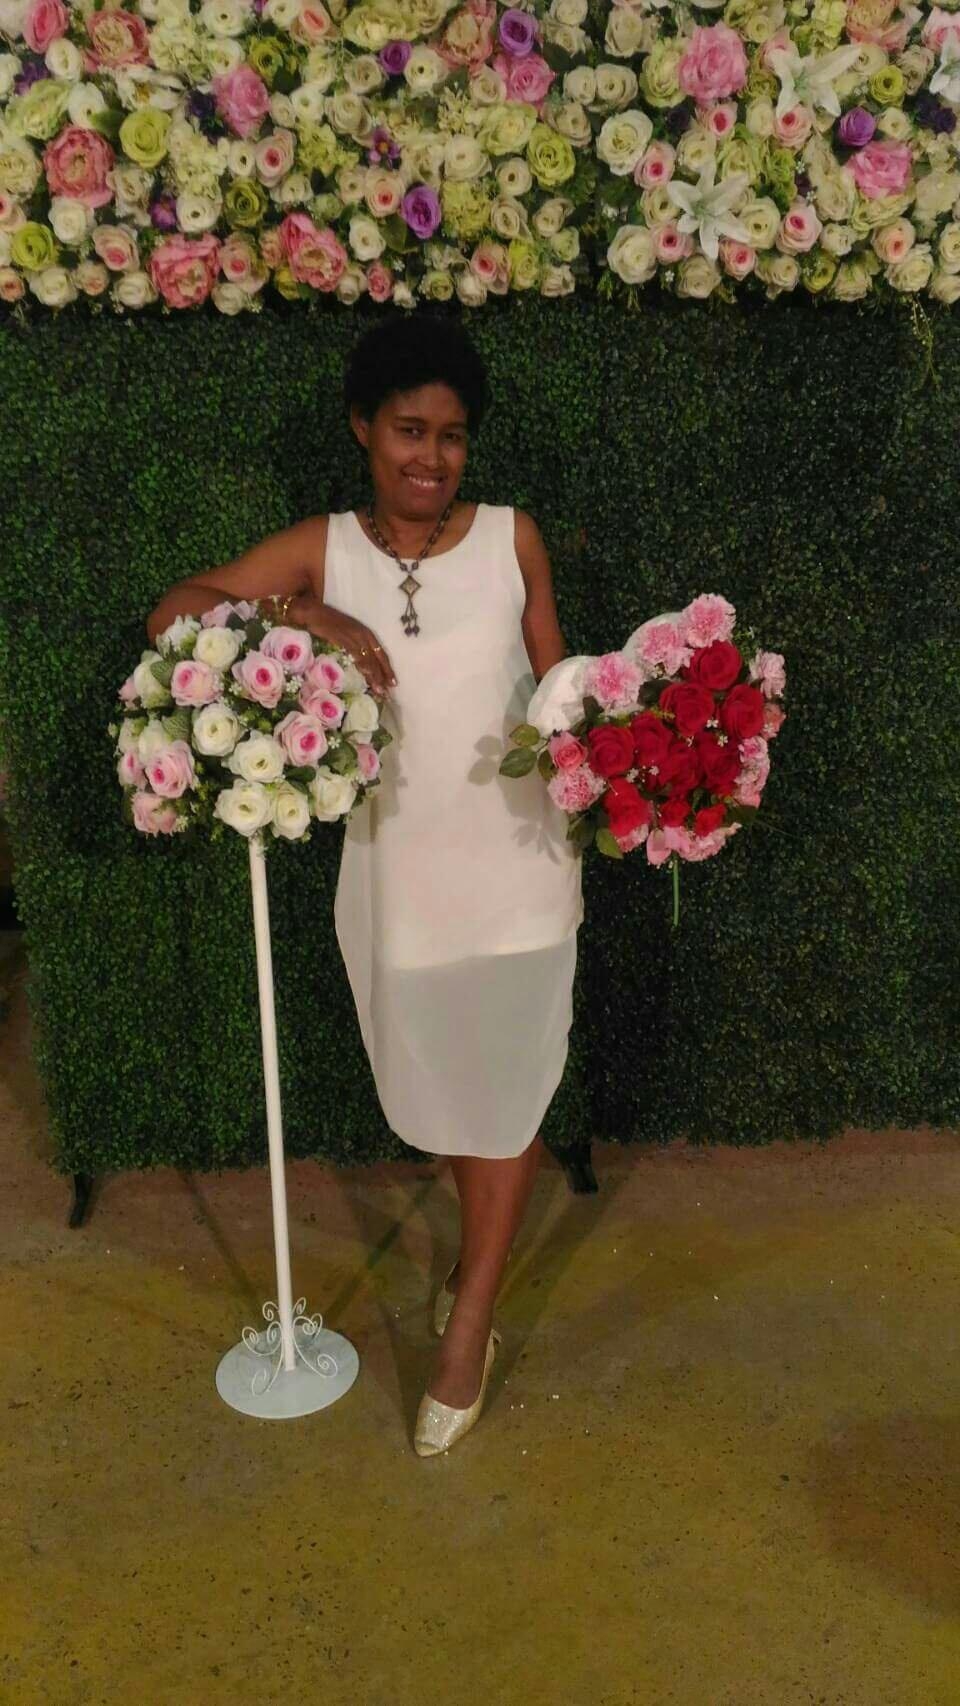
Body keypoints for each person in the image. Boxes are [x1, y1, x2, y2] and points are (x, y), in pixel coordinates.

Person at [146, 314, 583, 1456]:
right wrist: (304, 611)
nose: (432, 456)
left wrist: (633, 759)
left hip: (524, 867)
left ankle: (469, 1320)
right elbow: (175, 609)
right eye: (409, 430)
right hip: (401, 882)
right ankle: (475, 1258)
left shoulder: (514, 539)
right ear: (362, 428)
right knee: (442, 1088)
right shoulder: (325, 547)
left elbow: (564, 690)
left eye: (453, 435)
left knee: (510, 1089)